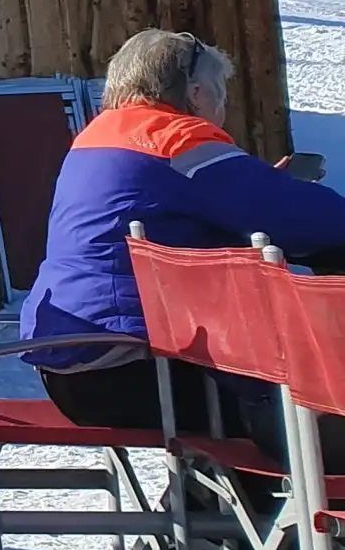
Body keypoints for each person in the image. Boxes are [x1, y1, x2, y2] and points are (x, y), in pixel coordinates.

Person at [22, 28, 345, 431]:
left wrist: (258, 189)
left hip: (72, 361)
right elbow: (311, 221)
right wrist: (276, 192)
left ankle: (216, 496)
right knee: (309, 417)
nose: (224, 105)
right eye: (220, 92)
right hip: (140, 367)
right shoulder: (174, 139)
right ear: (195, 94)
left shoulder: (98, 136)